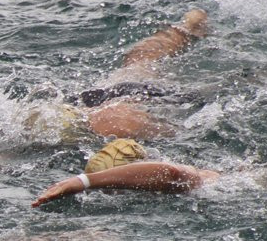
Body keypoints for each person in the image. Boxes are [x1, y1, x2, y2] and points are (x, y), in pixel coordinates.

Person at [31, 93, 267, 207]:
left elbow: (172, 173)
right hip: (256, 179)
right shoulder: (162, 179)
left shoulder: (174, 179)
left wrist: (82, 181)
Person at [17, 9, 209, 142]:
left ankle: (189, 27)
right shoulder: (43, 124)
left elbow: (176, 132)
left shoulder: (115, 124)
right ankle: (187, 26)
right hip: (99, 96)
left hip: (140, 96)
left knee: (147, 69)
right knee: (138, 63)